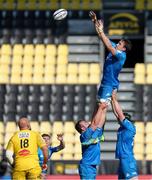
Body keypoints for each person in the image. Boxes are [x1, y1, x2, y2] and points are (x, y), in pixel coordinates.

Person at [89, 11, 132, 104]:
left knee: (103, 106)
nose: (117, 43)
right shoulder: (115, 47)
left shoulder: (121, 55)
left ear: (124, 48)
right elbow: (102, 36)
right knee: (99, 105)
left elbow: (109, 46)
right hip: (104, 82)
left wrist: (101, 30)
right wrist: (95, 21)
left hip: (110, 84)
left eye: (120, 43)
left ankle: (122, 119)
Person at [75, 102, 108, 180]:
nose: (88, 123)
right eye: (85, 123)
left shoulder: (93, 132)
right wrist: (100, 108)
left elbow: (100, 122)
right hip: (87, 166)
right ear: (82, 128)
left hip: (91, 166)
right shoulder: (85, 135)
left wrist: (104, 108)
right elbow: (95, 123)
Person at [111, 91, 138, 180]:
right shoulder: (123, 128)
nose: (118, 119)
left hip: (128, 158)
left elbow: (119, 114)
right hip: (123, 159)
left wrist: (114, 98)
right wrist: (111, 101)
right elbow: (117, 114)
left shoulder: (129, 126)